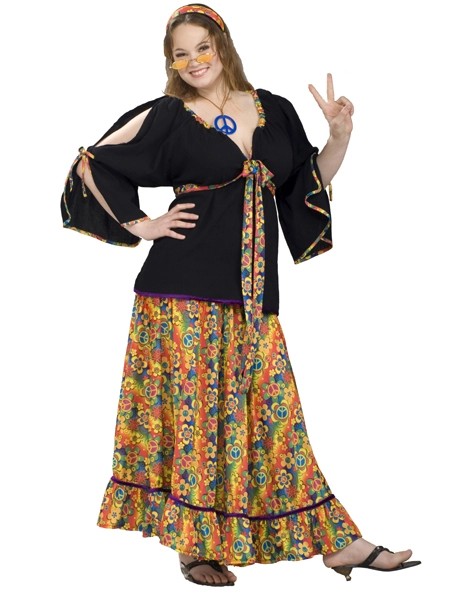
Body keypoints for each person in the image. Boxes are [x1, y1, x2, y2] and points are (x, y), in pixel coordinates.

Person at [61, 3, 420, 587]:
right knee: (198, 421)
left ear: (223, 46)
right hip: (181, 295)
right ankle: (195, 547)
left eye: (202, 47)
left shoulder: (273, 109)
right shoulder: (168, 115)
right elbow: (92, 162)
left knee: (277, 421)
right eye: (180, 53)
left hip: (254, 297)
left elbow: (305, 182)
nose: (193, 61)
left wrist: (340, 136)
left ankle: (337, 543)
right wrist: (139, 223)